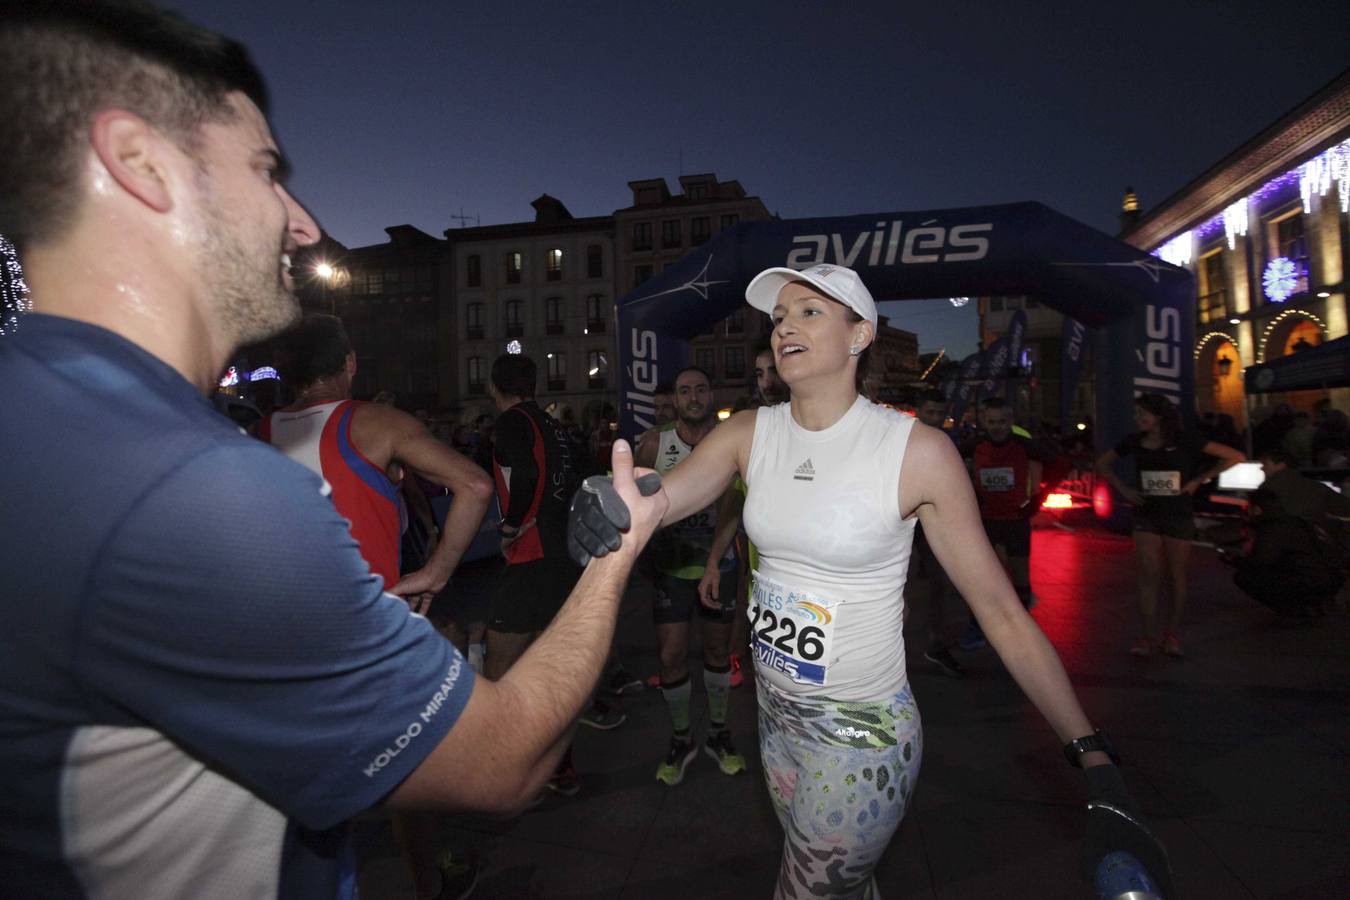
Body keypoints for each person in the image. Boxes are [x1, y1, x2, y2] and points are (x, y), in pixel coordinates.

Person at [0, 3, 669, 896]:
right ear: (142, 164)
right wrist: (616, 551)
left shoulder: (45, 415)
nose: (303, 222)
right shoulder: (193, 490)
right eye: (265, 171)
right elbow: (501, 761)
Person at [570, 263, 1173, 899]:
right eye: (778, 319)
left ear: (860, 335)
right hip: (775, 721)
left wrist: (1093, 756)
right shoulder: (749, 431)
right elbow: (664, 498)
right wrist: (617, 505)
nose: (784, 329)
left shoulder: (917, 452)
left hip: (863, 735)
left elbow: (999, 610)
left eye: (809, 313)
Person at [264, 315, 494, 899]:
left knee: (305, 790)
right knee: (409, 776)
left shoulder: (254, 435)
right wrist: (438, 570)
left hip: (281, 644)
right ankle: (428, 885)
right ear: (349, 363)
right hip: (369, 640)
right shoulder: (371, 422)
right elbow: (474, 485)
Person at [484, 352, 622, 796]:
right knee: (546, 667)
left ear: (493, 387)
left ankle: (502, 769)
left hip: (532, 554)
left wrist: (511, 523)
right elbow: (588, 477)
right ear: (536, 385)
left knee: (500, 668)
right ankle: (559, 767)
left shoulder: (510, 422)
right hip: (562, 555)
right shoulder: (555, 426)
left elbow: (522, 471)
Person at [635, 366, 748, 785]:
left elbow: (730, 508)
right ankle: (682, 738)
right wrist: (645, 556)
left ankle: (720, 734)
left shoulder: (730, 444)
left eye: (701, 388)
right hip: (672, 570)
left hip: (719, 566)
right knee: (670, 657)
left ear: (711, 394)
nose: (694, 396)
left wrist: (716, 561)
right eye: (685, 390)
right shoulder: (654, 444)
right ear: (676, 399)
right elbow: (640, 504)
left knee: (719, 655)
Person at [1096, 393, 1245, 657]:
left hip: (1178, 514)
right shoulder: (1134, 441)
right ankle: (1147, 637)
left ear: (1159, 416)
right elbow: (1102, 464)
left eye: (1143, 413)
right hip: (1146, 514)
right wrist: (1124, 489)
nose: (1138, 418)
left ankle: (1170, 635)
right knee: (1148, 575)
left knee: (1176, 577)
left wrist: (1199, 480)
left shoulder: (1184, 440)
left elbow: (1235, 456)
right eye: (1136, 414)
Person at [957, 397, 1059, 650]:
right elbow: (948, 466)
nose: (997, 426)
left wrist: (1039, 499)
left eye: (1002, 421)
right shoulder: (973, 445)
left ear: (1011, 421)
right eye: (992, 421)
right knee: (984, 578)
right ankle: (977, 628)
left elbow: (1059, 465)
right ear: (983, 422)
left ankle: (1024, 631)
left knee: (1020, 576)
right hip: (986, 521)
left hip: (1016, 520)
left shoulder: (1024, 445)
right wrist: (971, 495)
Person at [1230, 451, 1350, 617]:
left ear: (1281, 464)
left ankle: (1292, 608)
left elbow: (1262, 553)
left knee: (1249, 575)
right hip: (1324, 561)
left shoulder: (1267, 493)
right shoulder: (1315, 487)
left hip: (1288, 561)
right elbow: (1344, 507)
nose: (1262, 469)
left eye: (1266, 464)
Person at [911, 389, 965, 675]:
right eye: (929, 412)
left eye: (939, 413)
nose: (935, 418)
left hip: (930, 526)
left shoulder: (949, 442)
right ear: (919, 410)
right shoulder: (901, 438)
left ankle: (936, 644)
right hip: (896, 525)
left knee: (937, 586)